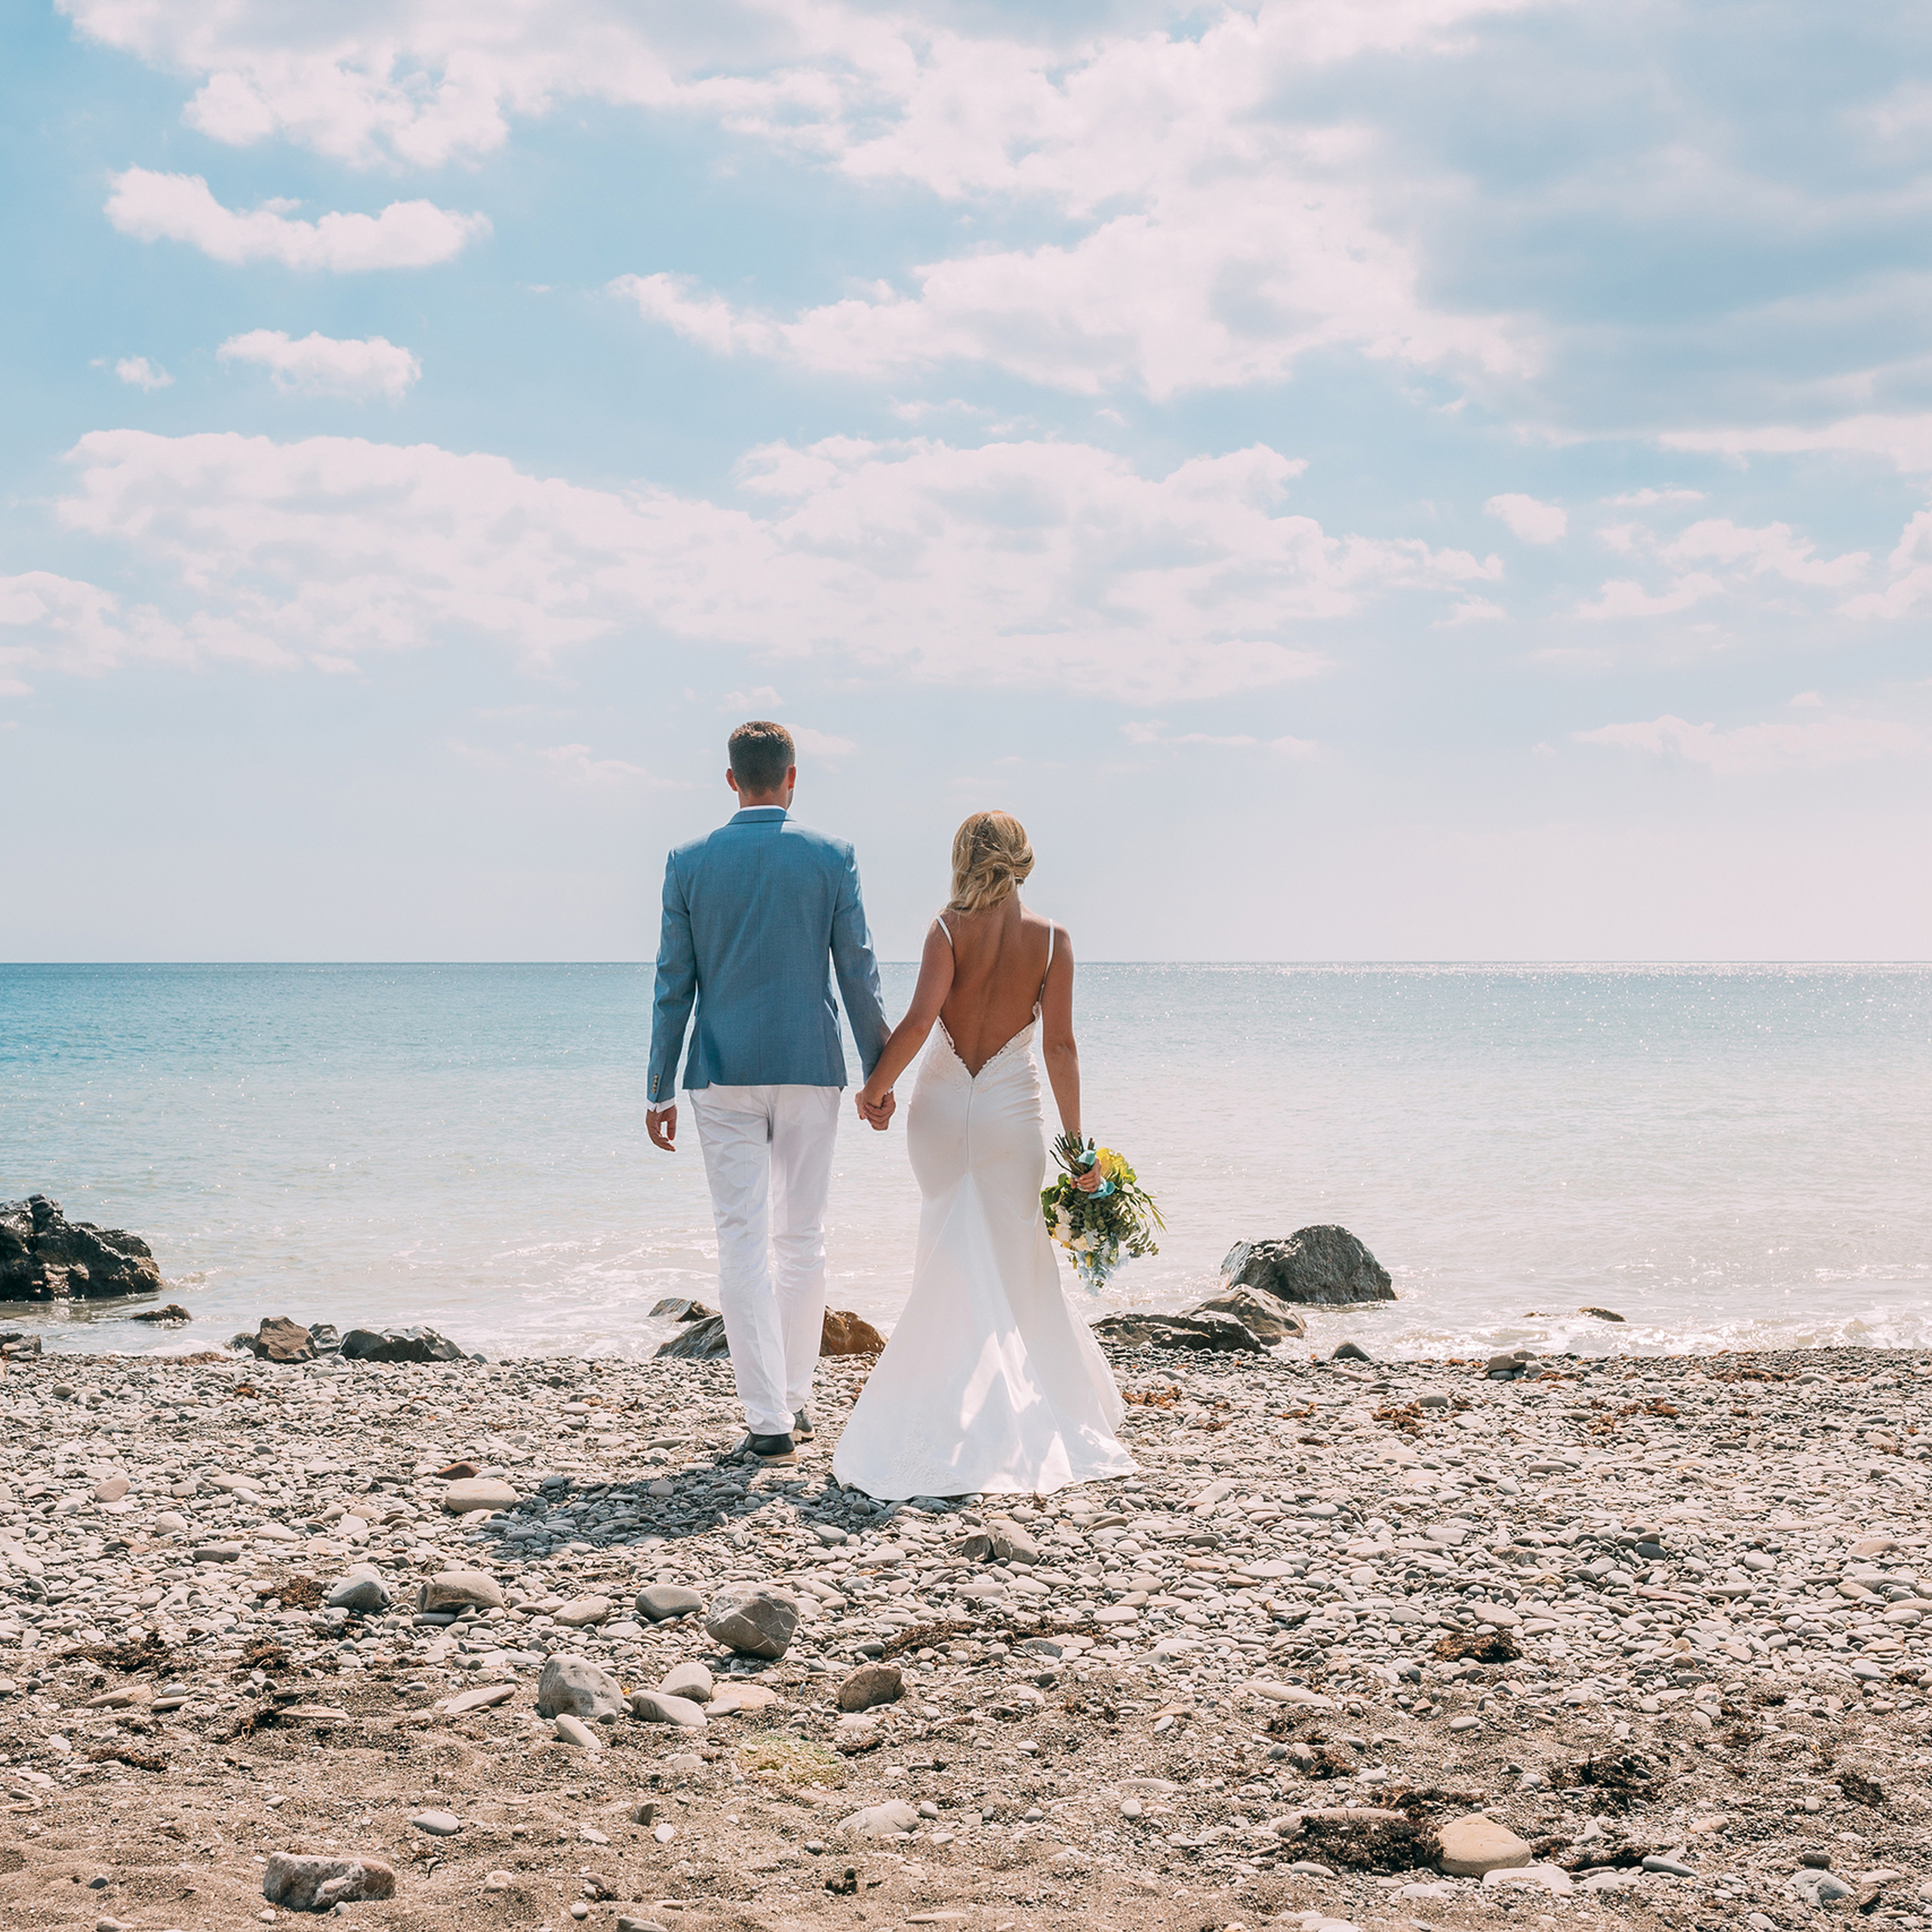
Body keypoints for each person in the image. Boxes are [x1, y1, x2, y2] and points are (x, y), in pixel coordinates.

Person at [831, 810, 1136, 1499]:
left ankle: (939, 1406)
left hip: (940, 1115)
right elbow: (1060, 1047)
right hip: (1010, 1121)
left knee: (947, 1250)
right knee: (1016, 1259)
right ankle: (1028, 1409)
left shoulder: (946, 930)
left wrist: (875, 1090)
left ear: (963, 858)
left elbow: (918, 1023)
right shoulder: (1053, 942)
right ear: (1023, 860)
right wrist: (1079, 1150)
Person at [645, 721, 890, 1466]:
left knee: (741, 1239)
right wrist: (879, 1073)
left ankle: (768, 1419)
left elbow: (673, 982)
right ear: (791, 776)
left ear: (731, 779)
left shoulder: (688, 861)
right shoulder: (831, 856)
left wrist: (658, 1087)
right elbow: (857, 970)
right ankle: (793, 1395)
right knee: (802, 1237)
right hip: (811, 1064)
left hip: (721, 1071)